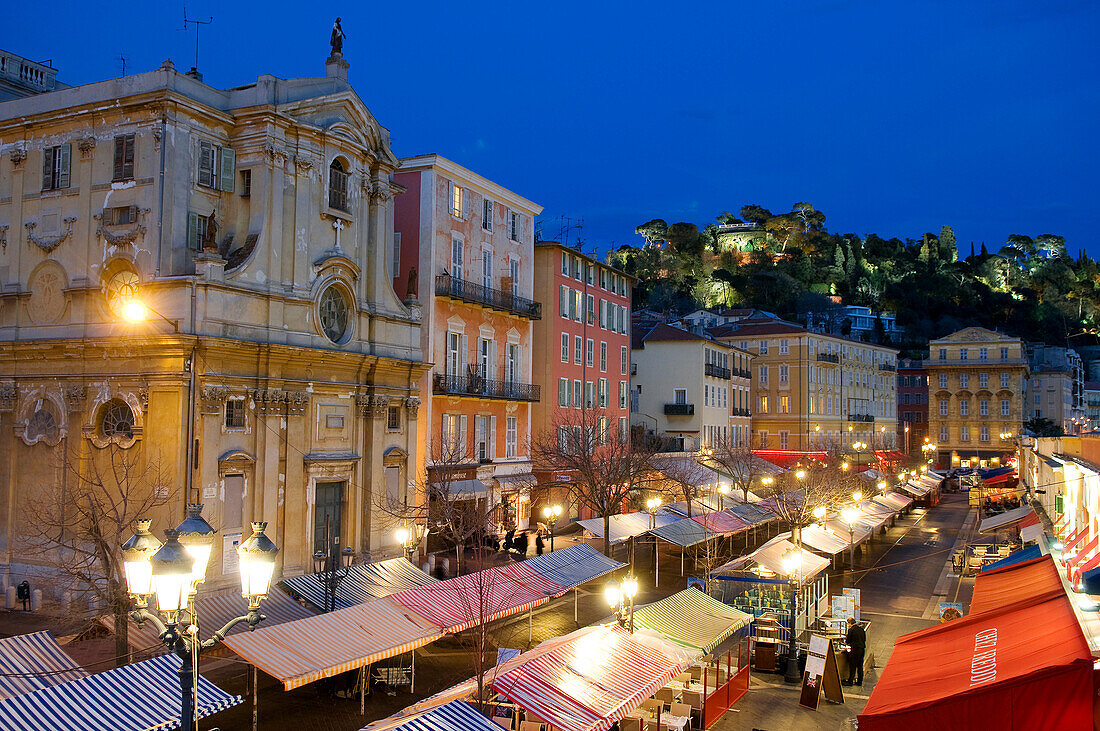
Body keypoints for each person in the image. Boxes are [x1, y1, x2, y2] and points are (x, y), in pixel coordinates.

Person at [843, 616, 866, 686]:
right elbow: (864, 639)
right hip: (862, 649)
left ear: (850, 623)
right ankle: (859, 681)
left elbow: (848, 641)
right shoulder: (861, 629)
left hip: (855, 650)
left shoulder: (851, 630)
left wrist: (846, 642)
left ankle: (850, 681)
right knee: (860, 666)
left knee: (852, 666)